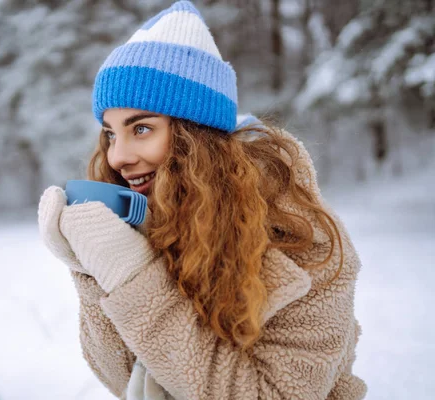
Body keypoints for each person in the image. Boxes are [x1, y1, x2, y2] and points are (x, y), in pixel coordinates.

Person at [37, 1, 367, 399]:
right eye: (110, 133)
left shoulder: (300, 240)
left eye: (140, 128)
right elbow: (122, 380)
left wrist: (134, 277)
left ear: (197, 137)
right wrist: (90, 268)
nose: (116, 157)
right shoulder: (151, 221)